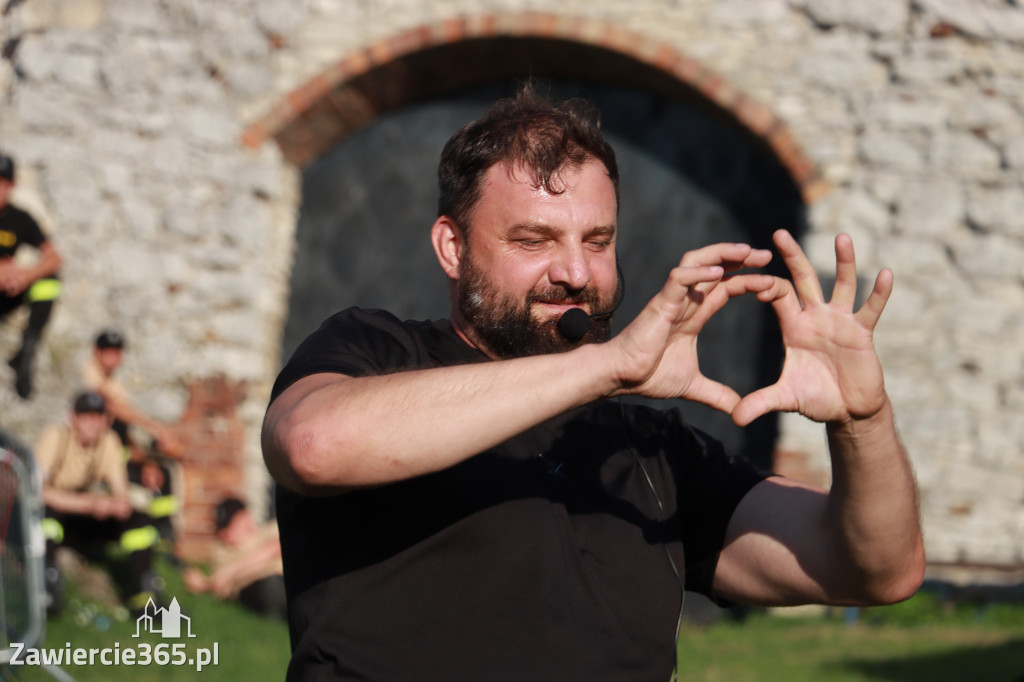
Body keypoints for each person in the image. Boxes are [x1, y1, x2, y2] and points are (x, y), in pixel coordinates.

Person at [262, 84, 925, 681]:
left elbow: (877, 570)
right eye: (535, 239)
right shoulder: (378, 349)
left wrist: (862, 421)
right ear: (452, 248)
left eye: (598, 240)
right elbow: (313, 443)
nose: (576, 272)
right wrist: (607, 366)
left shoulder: (652, 450)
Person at [36, 391, 161, 614]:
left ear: (107, 420)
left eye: (99, 417)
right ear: (72, 418)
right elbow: (38, 492)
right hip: (56, 514)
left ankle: (144, 593)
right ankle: (48, 581)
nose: (93, 423)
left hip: (84, 519)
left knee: (138, 518)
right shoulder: (55, 437)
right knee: (47, 514)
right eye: (87, 417)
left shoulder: (108, 441)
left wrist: (117, 505)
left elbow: (120, 490)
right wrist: (91, 504)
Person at [0, 152, 62, 399]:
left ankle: (29, 346)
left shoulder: (20, 218)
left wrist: (25, 275)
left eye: (3, 183)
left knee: (49, 282)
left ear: (13, 185)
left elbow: (55, 256)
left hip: (8, 291)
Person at [182, 496, 286, 620]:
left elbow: (278, 547)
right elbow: (219, 583)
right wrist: (205, 584)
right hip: (263, 588)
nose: (226, 534)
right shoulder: (222, 552)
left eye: (231, 525)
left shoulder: (269, 530)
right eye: (223, 529)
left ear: (245, 516)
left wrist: (232, 570)